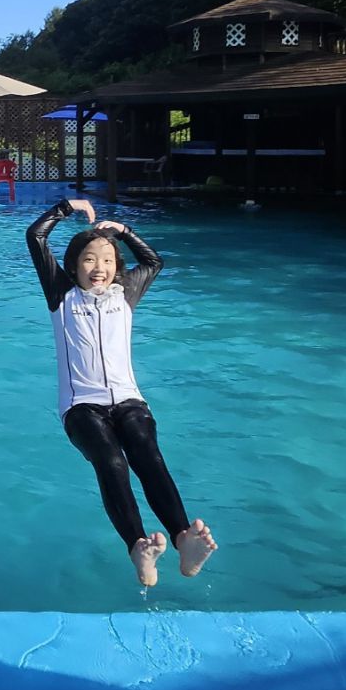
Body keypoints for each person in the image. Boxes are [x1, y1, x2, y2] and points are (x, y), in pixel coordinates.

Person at [26, 197, 217, 586]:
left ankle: (183, 539)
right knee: (112, 461)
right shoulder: (61, 294)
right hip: (81, 407)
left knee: (148, 455)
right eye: (89, 260)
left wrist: (124, 232)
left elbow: (153, 262)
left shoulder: (125, 292)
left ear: (117, 267)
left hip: (130, 401)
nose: (99, 268)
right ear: (74, 266)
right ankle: (138, 548)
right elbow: (36, 237)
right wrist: (66, 207)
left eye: (108, 260)